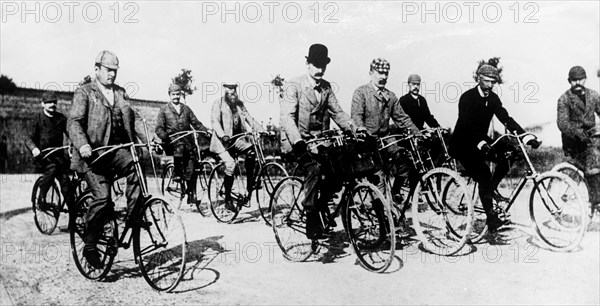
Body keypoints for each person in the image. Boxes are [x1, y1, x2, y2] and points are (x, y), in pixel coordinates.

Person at [68, 50, 147, 268]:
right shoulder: (85, 92)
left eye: (115, 71)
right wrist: (83, 144)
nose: (112, 75)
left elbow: (135, 118)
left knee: (135, 166)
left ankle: (134, 216)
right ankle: (91, 245)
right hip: (91, 156)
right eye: (108, 70)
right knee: (103, 198)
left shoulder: (120, 93)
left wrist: (152, 138)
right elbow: (73, 122)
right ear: (97, 70)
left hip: (114, 152)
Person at [449, 64, 541, 233]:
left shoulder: (493, 98)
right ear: (478, 78)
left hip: (482, 140)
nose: (490, 85)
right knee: (483, 173)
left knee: (510, 152)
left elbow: (505, 118)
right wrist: (480, 143)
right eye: (487, 81)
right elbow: (466, 125)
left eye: (493, 82)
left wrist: (524, 135)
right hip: (463, 143)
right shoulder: (467, 98)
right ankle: (491, 219)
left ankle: (489, 190)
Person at [280, 43, 354, 239]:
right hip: (296, 142)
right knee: (314, 169)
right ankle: (311, 219)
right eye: (316, 64)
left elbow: (337, 113)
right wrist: (296, 140)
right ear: (308, 63)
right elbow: (287, 117)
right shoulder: (293, 86)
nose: (320, 69)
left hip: (319, 142)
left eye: (323, 65)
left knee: (340, 168)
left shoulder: (326, 87)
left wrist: (355, 129)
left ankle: (322, 204)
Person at [350, 58, 421, 209]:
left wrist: (418, 133)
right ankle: (382, 218)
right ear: (371, 73)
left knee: (406, 159)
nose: (383, 77)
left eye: (386, 74)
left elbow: (402, 118)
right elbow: (356, 116)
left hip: (386, 140)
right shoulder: (361, 93)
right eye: (380, 73)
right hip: (367, 143)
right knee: (378, 178)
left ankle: (395, 192)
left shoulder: (391, 96)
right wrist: (361, 129)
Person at [210, 83, 264, 211]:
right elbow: (215, 122)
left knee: (252, 151)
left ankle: (250, 185)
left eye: (234, 88)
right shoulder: (218, 103)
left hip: (236, 141)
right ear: (225, 89)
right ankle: (228, 198)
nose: (232, 91)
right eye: (229, 88)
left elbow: (249, 119)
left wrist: (262, 130)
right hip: (221, 142)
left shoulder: (239, 104)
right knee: (230, 165)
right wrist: (223, 135)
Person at [156, 83, 210, 204]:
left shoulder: (186, 109)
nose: (176, 97)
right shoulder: (164, 110)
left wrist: (205, 131)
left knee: (193, 163)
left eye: (178, 94)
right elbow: (159, 128)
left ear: (181, 95)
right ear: (169, 95)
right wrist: (165, 137)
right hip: (172, 142)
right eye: (173, 94)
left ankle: (191, 194)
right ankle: (176, 173)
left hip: (187, 141)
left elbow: (196, 123)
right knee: (180, 148)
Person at [557, 65, 600, 211]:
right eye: (574, 80)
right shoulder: (564, 99)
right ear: (569, 81)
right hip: (574, 142)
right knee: (593, 158)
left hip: (592, 139)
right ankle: (597, 201)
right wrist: (576, 133)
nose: (577, 83)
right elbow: (562, 124)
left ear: (585, 79)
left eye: (580, 79)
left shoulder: (594, 96)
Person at [25, 91, 73, 210]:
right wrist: (34, 148)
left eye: (54, 102)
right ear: (43, 104)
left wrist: (74, 144)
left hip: (58, 158)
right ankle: (42, 197)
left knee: (66, 182)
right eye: (49, 102)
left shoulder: (61, 118)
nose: (52, 104)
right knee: (52, 168)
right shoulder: (37, 119)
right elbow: (28, 138)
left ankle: (72, 216)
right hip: (43, 158)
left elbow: (71, 133)